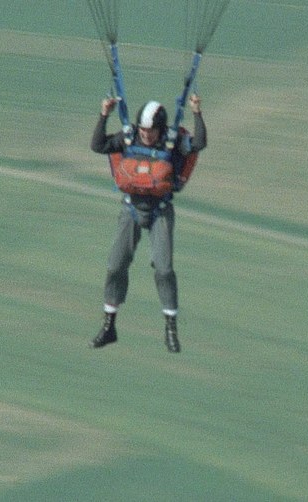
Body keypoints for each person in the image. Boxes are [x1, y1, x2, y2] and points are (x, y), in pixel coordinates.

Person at [89, 93, 206, 352]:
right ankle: (109, 326)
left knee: (164, 269)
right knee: (115, 265)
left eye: (150, 131)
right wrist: (104, 114)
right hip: (130, 208)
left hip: (160, 211)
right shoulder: (128, 138)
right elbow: (98, 146)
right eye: (142, 130)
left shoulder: (173, 142)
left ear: (160, 129)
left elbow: (199, 143)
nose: (145, 135)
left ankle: (171, 329)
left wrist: (196, 112)